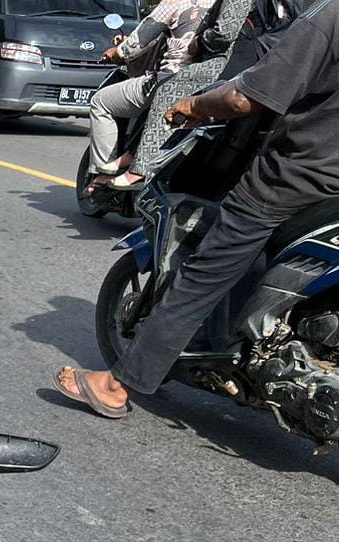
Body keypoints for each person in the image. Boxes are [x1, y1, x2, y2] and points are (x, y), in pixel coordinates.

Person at [52, 0, 339, 419]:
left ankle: (117, 385)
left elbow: (244, 97)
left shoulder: (328, 15)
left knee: (205, 273)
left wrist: (194, 106)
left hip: (295, 179)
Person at [109, 0, 253, 189]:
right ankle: (133, 154)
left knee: (167, 91)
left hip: (224, 61)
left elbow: (224, 33)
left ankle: (141, 170)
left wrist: (199, 42)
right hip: (249, 60)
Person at [87, 0, 216, 190]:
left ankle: (104, 173)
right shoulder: (226, 7)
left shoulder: (177, 2)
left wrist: (116, 52)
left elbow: (137, 44)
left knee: (100, 101)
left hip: (171, 78)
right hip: (215, 84)